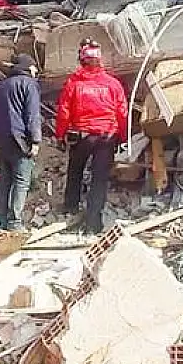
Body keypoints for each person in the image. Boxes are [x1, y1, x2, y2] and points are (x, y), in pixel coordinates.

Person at [54, 39, 128, 234]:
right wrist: (123, 137)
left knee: (75, 171)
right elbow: (122, 112)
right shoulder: (113, 84)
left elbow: (64, 112)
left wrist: (60, 135)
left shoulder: (74, 84)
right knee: (99, 179)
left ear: (82, 61)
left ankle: (70, 208)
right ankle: (94, 223)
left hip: (83, 136)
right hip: (106, 136)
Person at [0, 53, 41, 232]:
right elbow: (32, 115)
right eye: (34, 67)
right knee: (21, 181)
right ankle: (15, 222)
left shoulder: (1, 86)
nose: (36, 71)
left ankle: (0, 220)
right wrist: (35, 141)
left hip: (2, 140)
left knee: (4, 180)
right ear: (28, 67)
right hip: (20, 140)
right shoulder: (29, 84)